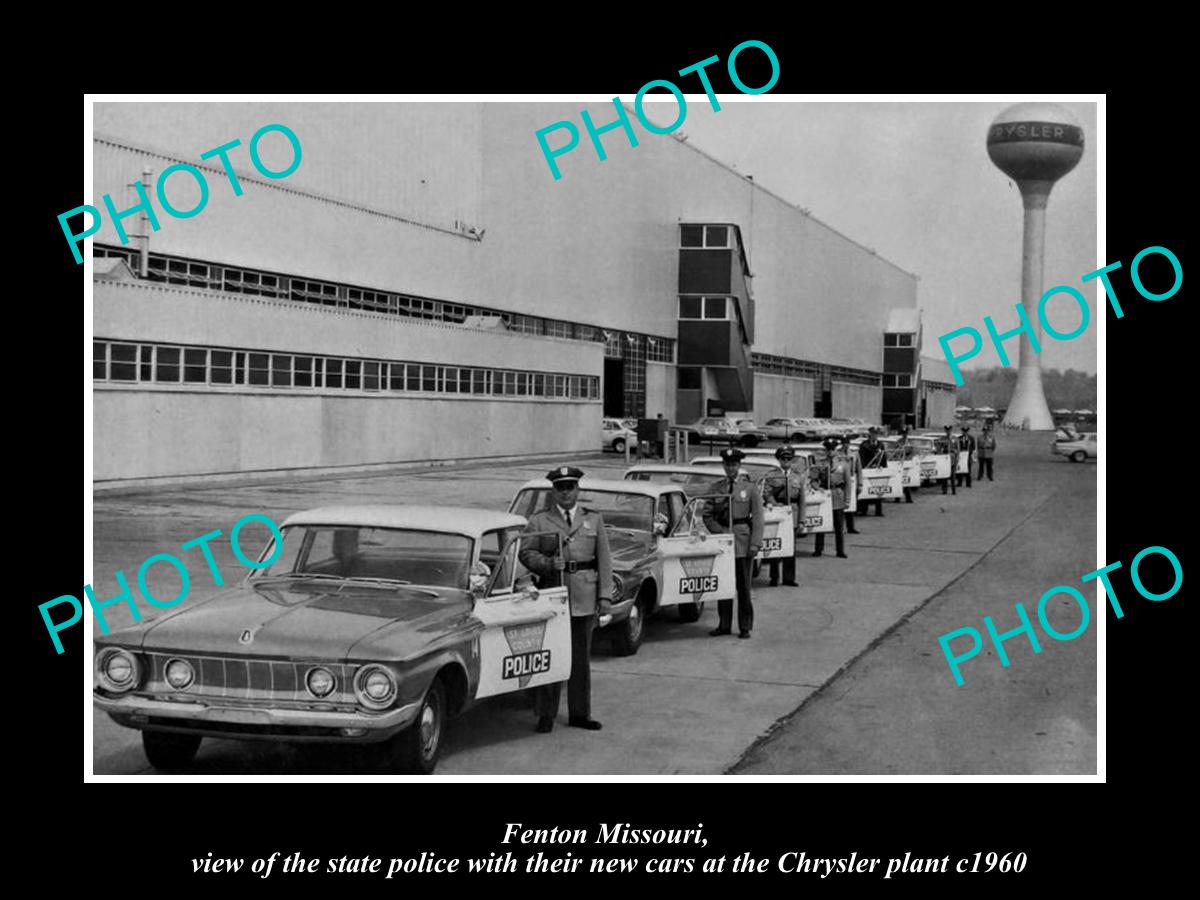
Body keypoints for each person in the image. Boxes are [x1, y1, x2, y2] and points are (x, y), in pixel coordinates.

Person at [519, 466, 613, 733]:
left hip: (584, 596)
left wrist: (604, 596)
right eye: (560, 488)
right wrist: (548, 563)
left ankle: (580, 714)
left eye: (570, 487)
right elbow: (525, 553)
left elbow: (605, 560)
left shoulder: (593, 519)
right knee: (550, 658)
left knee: (580, 661)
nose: (566, 493)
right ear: (554, 491)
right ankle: (546, 715)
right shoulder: (540, 520)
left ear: (578, 490)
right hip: (553, 597)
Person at [702, 447, 764, 639]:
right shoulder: (716, 488)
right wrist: (719, 532)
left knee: (744, 587)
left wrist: (755, 544)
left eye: (734, 465)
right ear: (723, 466)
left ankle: (745, 626)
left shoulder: (749, 488)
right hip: (723, 543)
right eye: (727, 465)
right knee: (724, 586)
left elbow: (758, 518)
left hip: (743, 543)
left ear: (739, 466)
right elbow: (707, 514)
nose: (731, 469)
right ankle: (724, 624)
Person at [759, 445, 806, 587]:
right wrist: (774, 503)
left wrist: (802, 520)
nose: (786, 461)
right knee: (776, 544)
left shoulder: (798, 476)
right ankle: (774, 577)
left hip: (793, 512)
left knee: (790, 547)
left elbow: (802, 499)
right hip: (778, 511)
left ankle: (789, 577)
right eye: (783, 458)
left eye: (788, 458)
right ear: (778, 460)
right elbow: (766, 493)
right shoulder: (772, 475)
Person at [812, 439, 849, 559]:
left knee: (839, 526)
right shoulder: (821, 463)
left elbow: (848, 483)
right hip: (824, 495)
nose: (830, 452)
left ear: (836, 449)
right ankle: (818, 549)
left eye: (832, 449)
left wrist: (847, 500)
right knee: (821, 524)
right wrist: (818, 488)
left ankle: (840, 550)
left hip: (837, 494)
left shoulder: (843, 463)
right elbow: (813, 480)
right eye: (828, 449)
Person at [857, 427, 887, 517]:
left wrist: (884, 468)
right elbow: (861, 457)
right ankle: (863, 510)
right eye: (873, 434)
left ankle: (878, 511)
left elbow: (883, 457)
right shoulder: (864, 445)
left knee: (878, 489)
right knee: (867, 489)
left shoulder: (880, 445)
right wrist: (864, 468)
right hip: (867, 469)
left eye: (876, 434)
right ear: (870, 434)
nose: (875, 436)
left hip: (877, 470)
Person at [839, 435, 862, 533]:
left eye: (847, 442)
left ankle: (850, 527)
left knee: (851, 504)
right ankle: (838, 527)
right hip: (841, 480)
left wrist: (860, 483)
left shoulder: (854, 453)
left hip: (852, 479)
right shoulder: (837, 454)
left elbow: (859, 469)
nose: (845, 445)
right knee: (839, 505)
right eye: (844, 442)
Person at [940, 424, 958, 495]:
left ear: (951, 430)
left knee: (953, 475)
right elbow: (939, 448)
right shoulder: (942, 439)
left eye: (949, 430)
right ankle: (944, 490)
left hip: (952, 458)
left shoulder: (955, 439)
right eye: (947, 430)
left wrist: (957, 458)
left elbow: (958, 449)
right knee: (944, 475)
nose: (948, 432)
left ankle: (953, 490)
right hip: (944, 458)